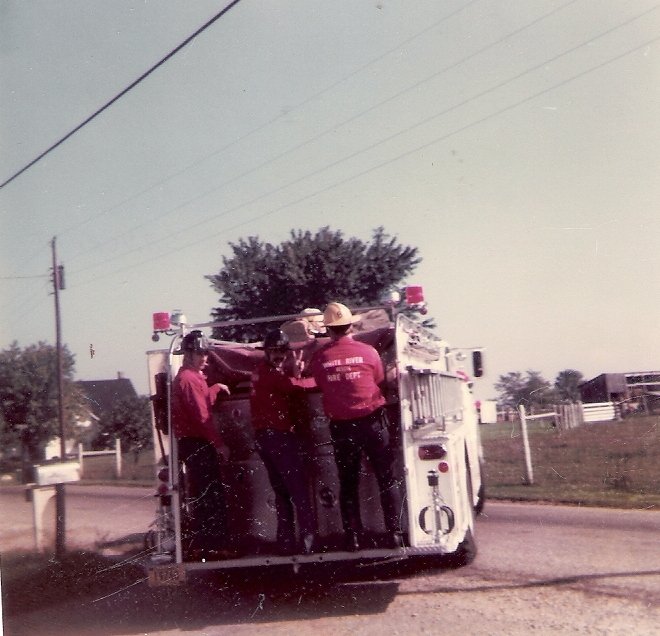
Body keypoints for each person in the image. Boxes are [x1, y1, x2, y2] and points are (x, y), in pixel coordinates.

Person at [309, 302, 404, 551]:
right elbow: (380, 380)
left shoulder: (320, 358)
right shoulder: (369, 352)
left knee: (348, 482)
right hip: (372, 422)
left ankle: (353, 537)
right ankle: (394, 533)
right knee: (386, 478)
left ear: (328, 330)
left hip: (342, 428)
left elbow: (319, 384)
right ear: (351, 326)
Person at [250, 329, 317, 555]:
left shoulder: (260, 372)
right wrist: (314, 378)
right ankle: (307, 537)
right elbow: (295, 388)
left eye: (282, 352)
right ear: (266, 353)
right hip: (278, 438)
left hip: (264, 440)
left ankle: (285, 541)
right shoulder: (272, 376)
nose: (279, 356)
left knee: (282, 492)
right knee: (297, 488)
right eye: (274, 352)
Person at [171, 330, 230, 557]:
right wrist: (219, 444)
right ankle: (214, 546)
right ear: (187, 353)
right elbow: (201, 416)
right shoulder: (188, 378)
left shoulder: (193, 377)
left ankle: (210, 544)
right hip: (197, 442)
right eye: (199, 353)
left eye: (205, 354)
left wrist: (214, 389)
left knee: (208, 493)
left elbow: (201, 401)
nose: (204, 358)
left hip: (195, 442)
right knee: (209, 495)